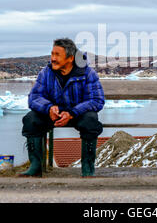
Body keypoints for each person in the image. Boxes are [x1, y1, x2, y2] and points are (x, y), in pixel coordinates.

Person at [19, 38, 105, 177]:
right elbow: (34, 97)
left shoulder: (87, 73)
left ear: (70, 58)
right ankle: (35, 166)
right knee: (31, 119)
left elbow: (96, 100)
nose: (52, 58)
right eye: (52, 54)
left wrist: (72, 113)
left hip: (78, 115)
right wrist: (49, 108)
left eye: (57, 55)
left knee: (91, 121)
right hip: (53, 114)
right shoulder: (46, 73)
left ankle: (88, 169)